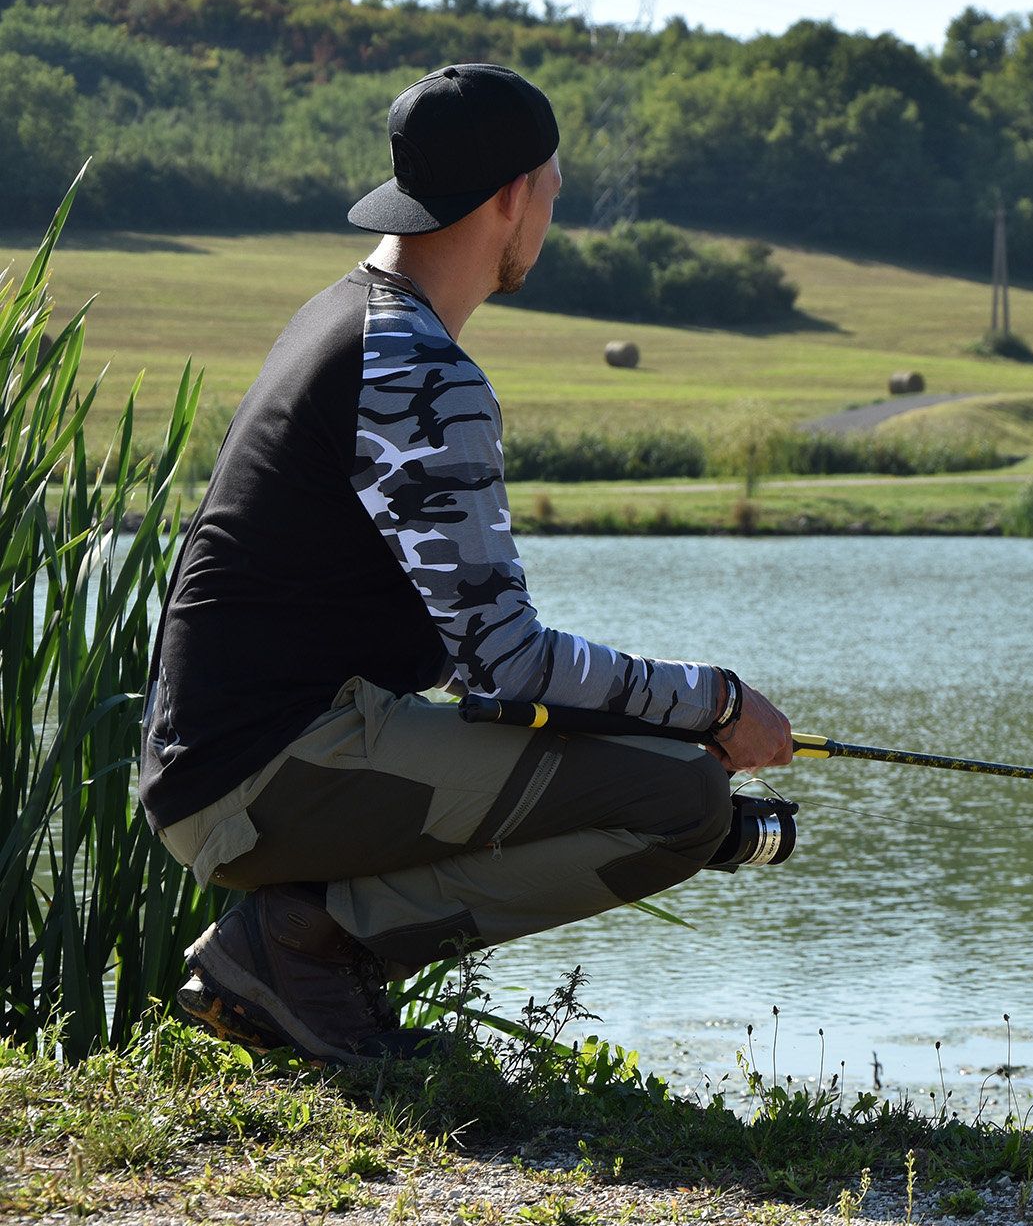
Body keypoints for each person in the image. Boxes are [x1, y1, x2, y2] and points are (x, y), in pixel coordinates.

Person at [139, 63, 793, 1065]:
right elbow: (509, 667)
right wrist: (716, 701)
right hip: (264, 777)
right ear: (509, 198)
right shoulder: (418, 369)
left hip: (231, 761)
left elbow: (468, 658)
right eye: (552, 190)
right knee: (683, 802)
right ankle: (302, 947)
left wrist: (658, 725)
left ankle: (304, 947)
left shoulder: (347, 314)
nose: (554, 211)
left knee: (672, 777)